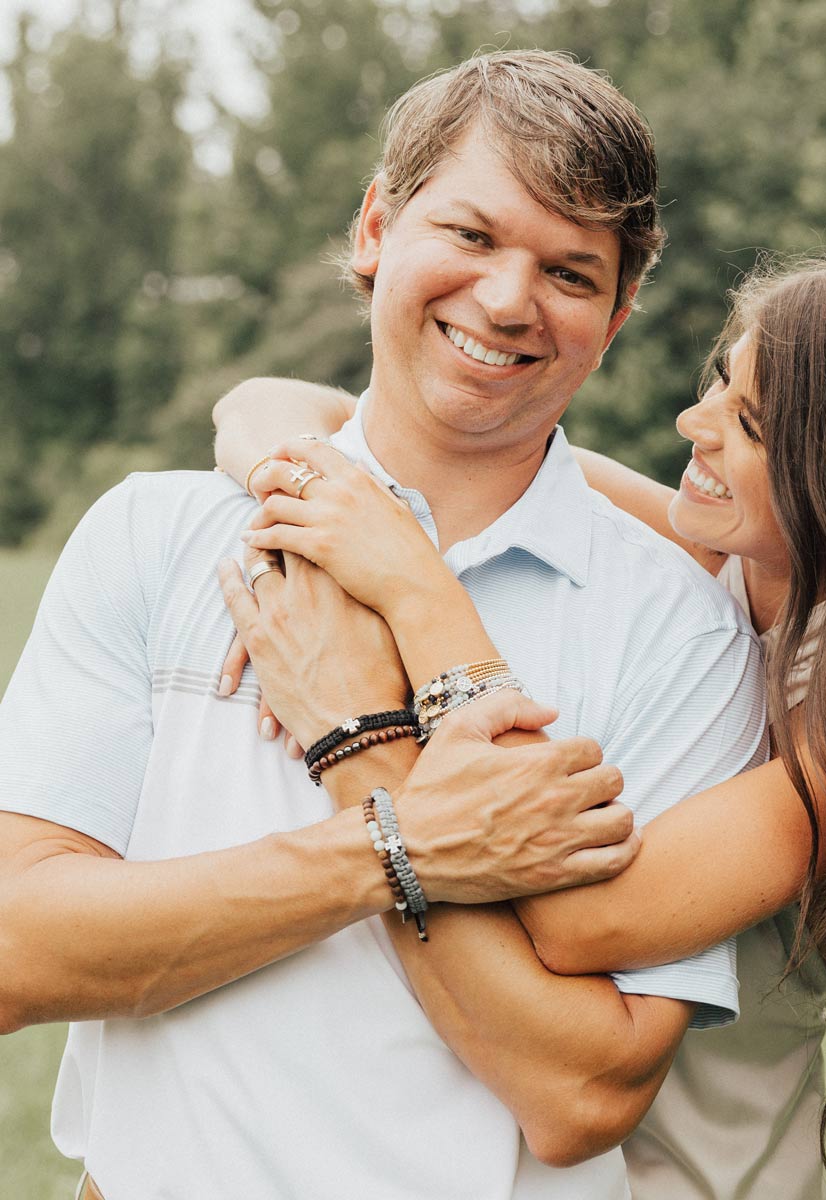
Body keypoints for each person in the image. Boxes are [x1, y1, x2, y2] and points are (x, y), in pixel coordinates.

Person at [0, 52, 773, 1200]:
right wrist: (397, 849)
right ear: (374, 227)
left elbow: (581, 1101)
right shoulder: (157, 535)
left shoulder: (685, 634)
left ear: (614, 320)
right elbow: (17, 951)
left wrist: (359, 746)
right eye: (470, 235)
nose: (509, 300)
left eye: (569, 272)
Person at [215, 240, 826, 1200]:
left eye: (751, 422)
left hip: (694, 1175)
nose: (693, 422)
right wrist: (294, 527)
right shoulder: (728, 558)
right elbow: (274, 407)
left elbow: (582, 919)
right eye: (720, 381)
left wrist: (420, 604)